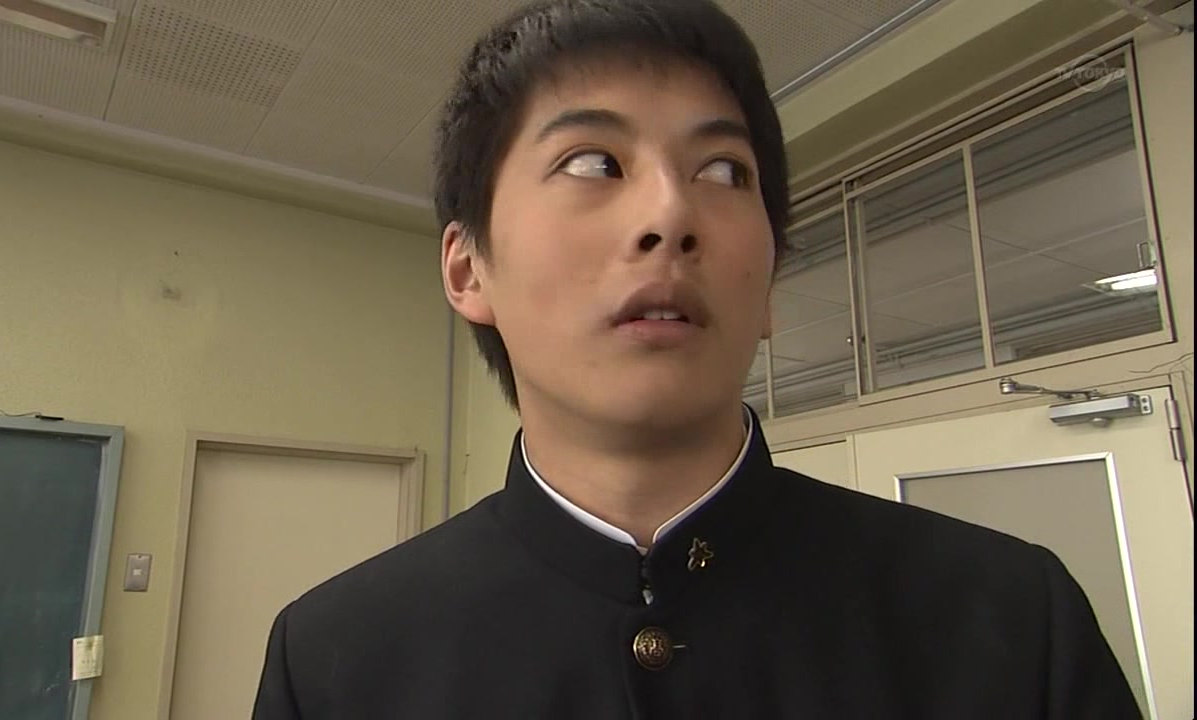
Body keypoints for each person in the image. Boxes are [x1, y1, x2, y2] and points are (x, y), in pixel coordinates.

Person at [253, 1, 1142, 717]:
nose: (670, 215)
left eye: (722, 172)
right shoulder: (336, 659)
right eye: (594, 162)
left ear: (770, 284)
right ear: (467, 268)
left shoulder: (1013, 619)